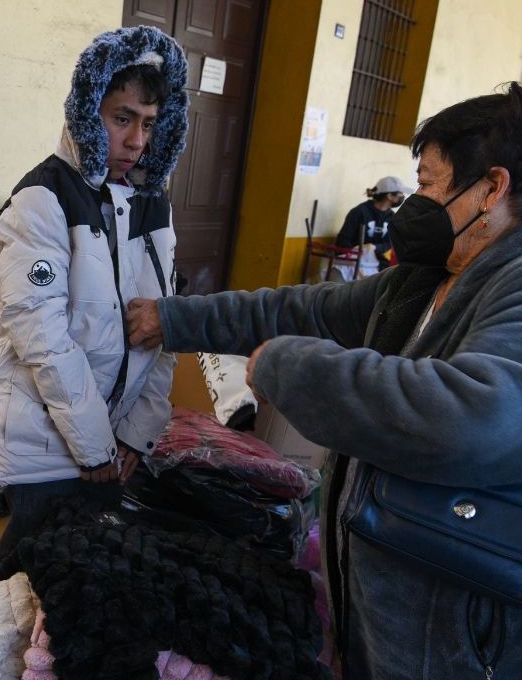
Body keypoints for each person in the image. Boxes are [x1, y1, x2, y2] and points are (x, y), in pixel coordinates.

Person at [126, 82, 522, 679]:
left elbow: (475, 415)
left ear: (492, 188)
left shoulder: (514, 284)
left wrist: (289, 366)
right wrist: (173, 317)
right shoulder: (423, 281)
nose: (416, 202)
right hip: (382, 610)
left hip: (455, 634)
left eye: (429, 184)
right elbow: (301, 309)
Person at [0, 26, 189, 556]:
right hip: (44, 442)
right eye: (121, 119)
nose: (136, 141)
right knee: (33, 578)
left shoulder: (151, 205)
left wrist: (137, 433)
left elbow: (164, 324)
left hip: (110, 442)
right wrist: (94, 448)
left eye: (149, 124)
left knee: (81, 582)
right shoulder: (42, 202)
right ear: (88, 113)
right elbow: (42, 339)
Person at [336, 175, 407, 270]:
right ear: (389, 196)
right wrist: (358, 252)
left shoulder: (392, 218)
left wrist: (374, 247)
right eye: (400, 194)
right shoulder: (359, 212)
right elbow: (343, 241)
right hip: (353, 262)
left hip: (377, 263)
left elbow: (389, 243)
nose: (403, 197)